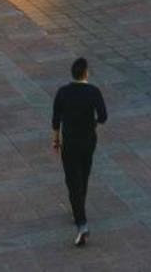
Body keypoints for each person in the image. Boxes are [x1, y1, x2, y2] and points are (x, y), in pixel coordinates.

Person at [51, 57, 108, 247]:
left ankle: (81, 222)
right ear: (85, 73)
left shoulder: (63, 92)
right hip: (88, 142)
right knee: (84, 174)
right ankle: (79, 209)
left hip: (70, 144)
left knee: (71, 179)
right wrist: (92, 124)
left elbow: (55, 119)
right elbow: (103, 117)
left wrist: (56, 140)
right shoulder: (93, 91)